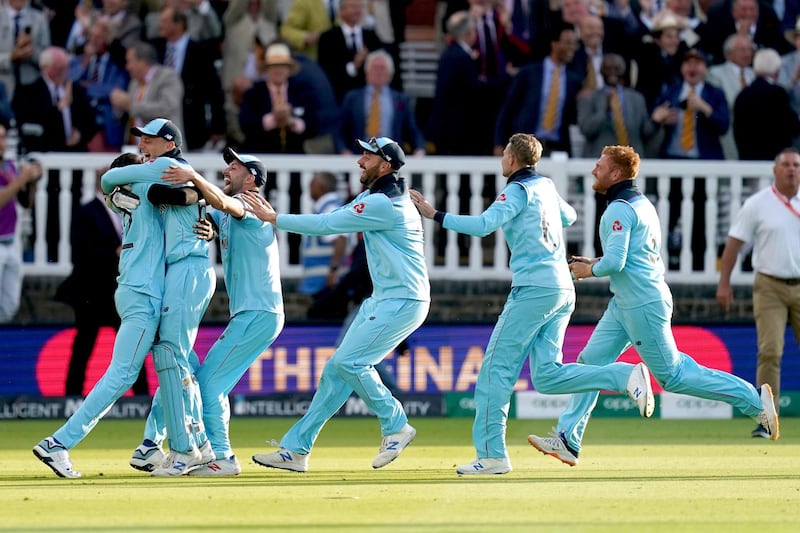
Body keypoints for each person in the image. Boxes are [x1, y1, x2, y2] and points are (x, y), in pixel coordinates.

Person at [409, 134, 654, 475]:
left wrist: (434, 214)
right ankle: (623, 373)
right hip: (562, 288)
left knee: (495, 372)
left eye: (505, 154)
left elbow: (482, 227)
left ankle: (493, 456)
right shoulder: (546, 185)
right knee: (548, 376)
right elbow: (568, 217)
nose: (502, 159)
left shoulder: (517, 190)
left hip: (534, 290)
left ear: (512, 159)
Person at [528, 145, 780, 469]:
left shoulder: (618, 210)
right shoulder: (641, 202)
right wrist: (595, 262)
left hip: (641, 304)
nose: (594, 170)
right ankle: (567, 439)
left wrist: (590, 270)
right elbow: (631, 257)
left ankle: (753, 400)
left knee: (675, 376)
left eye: (600, 166)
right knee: (591, 363)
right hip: (627, 301)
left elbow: (617, 261)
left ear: (616, 173)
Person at [244, 136, 429, 472]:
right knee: (335, 371)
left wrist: (274, 218)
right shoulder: (376, 195)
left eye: (367, 157)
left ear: (385, 165)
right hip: (383, 299)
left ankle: (396, 424)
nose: (360, 161)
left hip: (403, 299)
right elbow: (336, 219)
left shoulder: (383, 204)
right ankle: (296, 450)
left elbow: (327, 225)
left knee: (350, 363)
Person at [32, 150, 200, 479]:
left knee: (174, 365)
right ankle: (58, 443)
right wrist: (197, 184)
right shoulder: (142, 193)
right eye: (142, 166)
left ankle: (153, 444)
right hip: (142, 294)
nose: (150, 168)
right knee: (123, 375)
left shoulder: (133, 196)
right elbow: (187, 194)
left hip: (137, 291)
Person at [130, 147, 285, 476]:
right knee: (198, 378)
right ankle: (153, 444)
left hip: (259, 313)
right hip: (250, 313)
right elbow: (203, 211)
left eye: (235, 166)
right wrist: (211, 228)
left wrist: (194, 176)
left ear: (252, 178)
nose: (227, 170)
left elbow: (223, 203)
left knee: (208, 385)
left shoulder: (252, 204)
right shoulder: (228, 211)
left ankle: (222, 458)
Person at [101, 118, 215, 477]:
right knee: (178, 359)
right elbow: (182, 197)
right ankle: (173, 443)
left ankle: (188, 449)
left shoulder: (165, 168)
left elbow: (166, 193)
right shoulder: (163, 171)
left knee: (173, 358)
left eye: (149, 140)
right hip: (178, 272)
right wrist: (199, 196)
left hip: (185, 270)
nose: (142, 146)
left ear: (167, 144)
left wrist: (195, 189)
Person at [717, 147, 800, 439]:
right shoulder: (758, 203)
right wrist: (724, 282)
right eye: (786, 165)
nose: (792, 170)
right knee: (770, 351)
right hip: (770, 285)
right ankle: (767, 418)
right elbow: (734, 244)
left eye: (796, 165)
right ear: (775, 171)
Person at [55, 165, 149, 396]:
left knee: (132, 347)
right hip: (91, 292)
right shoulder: (87, 211)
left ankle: (142, 397)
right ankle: (72, 397)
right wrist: (115, 252)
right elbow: (81, 252)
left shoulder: (126, 211)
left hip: (119, 292)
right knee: (84, 346)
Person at [0, 124, 40, 323]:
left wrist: (31, 182)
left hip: (10, 242)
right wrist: (20, 179)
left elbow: (25, 203)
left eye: (3, 138)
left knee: (9, 306)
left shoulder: (8, 166)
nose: (2, 143)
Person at [733, 48, 800, 161]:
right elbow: (791, 126)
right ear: (777, 71)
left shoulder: (742, 94)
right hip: (773, 161)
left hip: (748, 161)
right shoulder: (777, 93)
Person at [298, 171, 350, 307]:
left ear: (320, 186)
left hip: (327, 284)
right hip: (323, 283)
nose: (309, 187)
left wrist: (333, 270)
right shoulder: (327, 207)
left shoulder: (330, 208)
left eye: (312, 184)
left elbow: (340, 238)